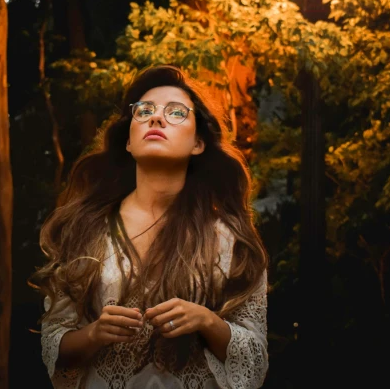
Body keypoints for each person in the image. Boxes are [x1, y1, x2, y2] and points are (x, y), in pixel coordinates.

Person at [30, 64, 269, 389]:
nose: (156, 118)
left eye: (176, 113)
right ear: (128, 141)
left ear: (198, 143)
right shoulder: (83, 228)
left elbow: (255, 359)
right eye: (144, 111)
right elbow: (53, 346)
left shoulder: (229, 240)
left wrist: (207, 321)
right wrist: (94, 334)